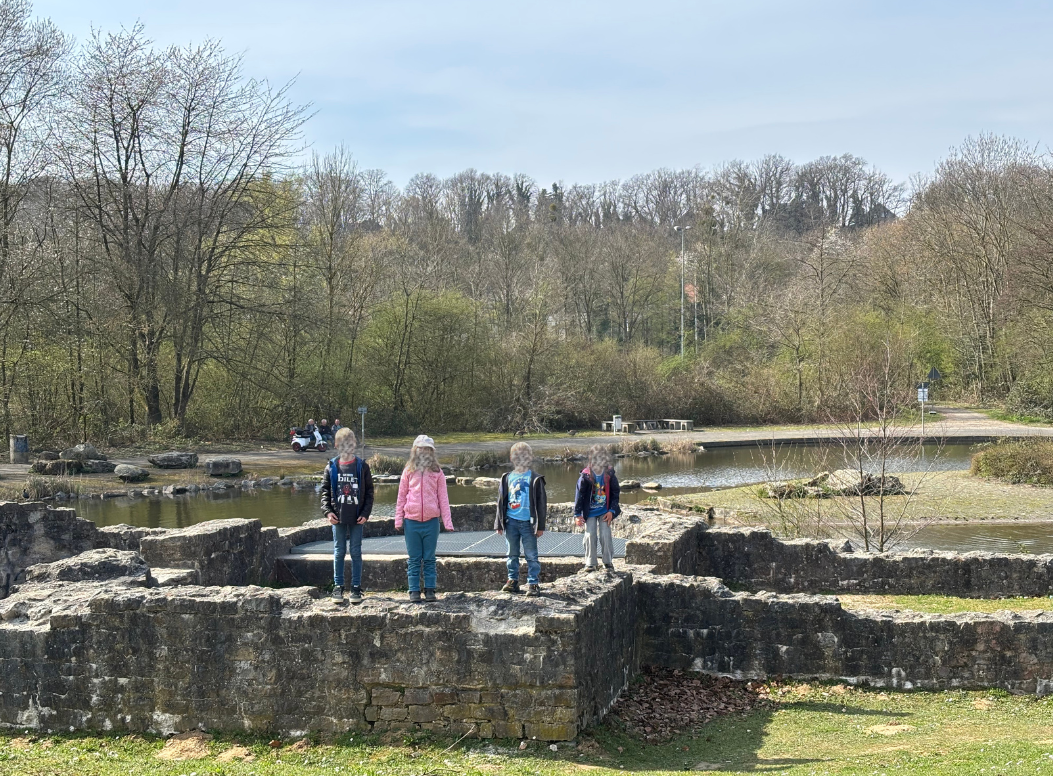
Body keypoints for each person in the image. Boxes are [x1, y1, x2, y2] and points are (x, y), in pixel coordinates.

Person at [395, 435, 454, 602]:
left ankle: (430, 589)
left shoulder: (437, 473)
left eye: (427, 449)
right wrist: (398, 519)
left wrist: (447, 521)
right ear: (415, 451)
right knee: (414, 558)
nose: (423, 452)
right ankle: (413, 590)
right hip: (411, 522)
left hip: (431, 522)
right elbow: (401, 496)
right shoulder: (408, 471)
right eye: (420, 449)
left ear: (431, 452)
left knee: (429, 557)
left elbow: (443, 498)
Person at [321, 428, 375, 603]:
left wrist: (365, 513)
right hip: (338, 518)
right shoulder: (331, 467)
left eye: (350, 444)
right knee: (339, 552)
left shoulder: (362, 466)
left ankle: (356, 587)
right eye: (344, 445)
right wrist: (328, 512)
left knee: (356, 552)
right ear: (337, 445)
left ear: (355, 445)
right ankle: (338, 586)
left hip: (357, 518)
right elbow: (325, 492)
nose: (347, 448)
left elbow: (369, 493)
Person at [495, 442, 547, 596]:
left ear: (530, 458)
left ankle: (533, 582)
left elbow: (542, 504)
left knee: (531, 555)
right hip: (510, 522)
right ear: (512, 458)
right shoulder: (507, 478)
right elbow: (500, 502)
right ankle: (512, 580)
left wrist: (540, 526)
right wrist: (499, 523)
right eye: (517, 456)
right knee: (512, 554)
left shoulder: (535, 478)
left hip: (528, 524)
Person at [573, 444, 620, 572]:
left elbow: (615, 493)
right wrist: (577, 514)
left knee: (605, 534)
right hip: (590, 512)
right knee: (590, 534)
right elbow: (579, 496)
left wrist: (612, 511)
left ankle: (608, 562)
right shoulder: (585, 476)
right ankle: (590, 563)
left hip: (605, 511)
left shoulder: (609, 474)